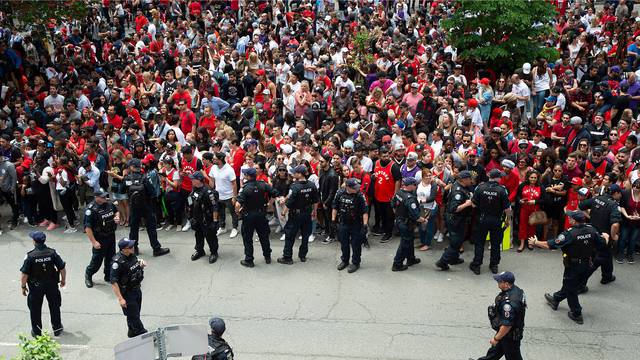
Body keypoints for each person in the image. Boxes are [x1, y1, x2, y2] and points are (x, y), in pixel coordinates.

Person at [529, 211, 609, 324]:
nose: (569, 219)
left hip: (573, 266)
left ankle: (576, 314)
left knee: (571, 289)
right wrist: (606, 237)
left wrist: (536, 242)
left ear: (574, 221)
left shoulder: (570, 234)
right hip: (587, 265)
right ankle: (556, 299)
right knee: (570, 285)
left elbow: (550, 245)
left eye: (570, 218)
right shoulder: (592, 230)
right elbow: (602, 243)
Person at [469, 271, 526, 360]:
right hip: (507, 333)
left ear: (506, 284)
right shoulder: (517, 290)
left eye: (500, 282)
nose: (498, 283)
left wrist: (496, 338)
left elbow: (507, 325)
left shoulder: (508, 304)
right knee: (494, 353)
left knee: (513, 356)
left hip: (509, 336)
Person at [20, 231, 66, 337]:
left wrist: (23, 286)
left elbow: (24, 274)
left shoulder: (30, 256)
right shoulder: (52, 253)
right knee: (55, 306)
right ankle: (57, 328)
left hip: (36, 287)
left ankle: (37, 332)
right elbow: (62, 267)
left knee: (35, 309)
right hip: (52, 284)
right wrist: (63, 280)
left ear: (34, 242)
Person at [123, 158, 170, 257]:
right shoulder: (145, 177)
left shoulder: (127, 178)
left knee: (133, 229)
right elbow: (152, 192)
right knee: (151, 228)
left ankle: (134, 249)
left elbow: (125, 190)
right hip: (146, 206)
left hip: (133, 207)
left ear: (131, 167)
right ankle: (156, 249)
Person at [470, 169, 512, 275]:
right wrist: (508, 220)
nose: (501, 179)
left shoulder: (479, 187)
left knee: (479, 243)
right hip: (496, 220)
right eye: (500, 177)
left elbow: (473, 204)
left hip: (482, 219)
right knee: (495, 244)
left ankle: (477, 265)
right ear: (497, 178)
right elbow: (508, 209)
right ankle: (494, 265)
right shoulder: (502, 190)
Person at [577, 184, 621, 286]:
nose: (620, 196)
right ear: (616, 193)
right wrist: (614, 236)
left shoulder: (596, 198)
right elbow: (615, 224)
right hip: (603, 237)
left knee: (607, 255)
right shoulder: (614, 205)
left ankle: (607, 276)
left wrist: (589, 216)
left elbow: (580, 206)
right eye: (620, 194)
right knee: (596, 261)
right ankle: (580, 284)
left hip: (593, 233)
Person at [235, 168, 279, 268]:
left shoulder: (245, 188)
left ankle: (249, 260)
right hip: (261, 215)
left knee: (247, 238)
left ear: (247, 176)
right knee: (264, 237)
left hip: (248, 216)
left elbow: (238, 204)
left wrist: (237, 212)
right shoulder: (263, 184)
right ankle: (267, 257)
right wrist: (269, 204)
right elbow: (275, 192)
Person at [278, 165, 319, 265]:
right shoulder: (311, 185)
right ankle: (303, 255)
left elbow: (290, 202)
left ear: (300, 174)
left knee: (290, 235)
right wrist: (314, 211)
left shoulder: (295, 186)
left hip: (295, 215)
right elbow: (316, 200)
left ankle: (287, 257)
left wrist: (283, 212)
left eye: (295, 172)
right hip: (307, 214)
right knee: (305, 235)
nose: (293, 174)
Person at [436, 170, 474, 271]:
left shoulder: (458, 185)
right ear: (464, 179)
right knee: (456, 242)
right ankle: (442, 262)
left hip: (457, 219)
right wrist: (467, 203)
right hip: (455, 220)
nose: (471, 181)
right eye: (470, 179)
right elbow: (455, 208)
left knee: (458, 239)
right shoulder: (458, 191)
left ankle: (454, 258)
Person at [110, 238, 148, 338]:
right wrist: (121, 299)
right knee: (134, 316)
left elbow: (133, 268)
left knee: (135, 314)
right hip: (127, 293)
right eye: (130, 247)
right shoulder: (117, 263)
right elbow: (114, 282)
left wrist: (141, 265)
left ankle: (132, 332)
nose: (132, 248)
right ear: (123, 249)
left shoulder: (132, 256)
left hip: (137, 289)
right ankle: (143, 334)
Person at [84, 188, 118, 288]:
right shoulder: (91, 209)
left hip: (111, 235)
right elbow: (87, 228)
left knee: (111, 258)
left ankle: (108, 276)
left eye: (105, 196)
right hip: (100, 237)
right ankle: (88, 275)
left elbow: (116, 212)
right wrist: (94, 242)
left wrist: (117, 217)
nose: (105, 198)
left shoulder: (109, 204)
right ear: (96, 197)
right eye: (102, 197)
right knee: (97, 260)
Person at [333, 178, 369, 273]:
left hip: (356, 224)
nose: (357, 189)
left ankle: (356, 263)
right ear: (348, 187)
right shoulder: (340, 193)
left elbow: (365, 211)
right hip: (343, 222)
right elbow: (335, 207)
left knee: (356, 244)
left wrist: (365, 225)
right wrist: (333, 221)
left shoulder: (360, 195)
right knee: (344, 243)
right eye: (354, 187)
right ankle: (344, 261)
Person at [391, 177, 425, 271]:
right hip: (406, 223)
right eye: (414, 184)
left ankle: (411, 259)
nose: (416, 186)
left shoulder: (399, 193)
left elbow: (393, 205)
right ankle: (397, 264)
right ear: (409, 186)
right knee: (404, 243)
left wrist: (399, 215)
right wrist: (424, 220)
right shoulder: (410, 199)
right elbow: (416, 216)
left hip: (400, 221)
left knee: (409, 240)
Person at [187, 172, 220, 264]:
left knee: (210, 237)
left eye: (193, 179)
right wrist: (190, 217)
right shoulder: (194, 190)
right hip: (196, 219)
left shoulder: (209, 192)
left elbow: (215, 207)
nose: (191, 180)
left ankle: (214, 252)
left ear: (199, 180)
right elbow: (190, 203)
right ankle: (200, 251)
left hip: (207, 219)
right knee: (198, 235)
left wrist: (215, 221)